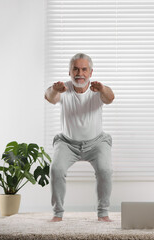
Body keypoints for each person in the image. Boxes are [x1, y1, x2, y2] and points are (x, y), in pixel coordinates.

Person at [45, 53, 115, 222]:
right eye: (75, 69)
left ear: (90, 72)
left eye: (84, 69)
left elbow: (110, 97)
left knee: (105, 170)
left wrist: (103, 88)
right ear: (70, 72)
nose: (80, 73)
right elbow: (49, 97)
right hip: (67, 143)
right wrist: (54, 89)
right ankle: (57, 213)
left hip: (97, 142)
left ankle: (103, 212)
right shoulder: (64, 88)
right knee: (56, 169)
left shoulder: (97, 89)